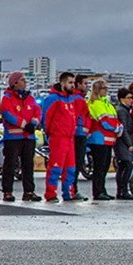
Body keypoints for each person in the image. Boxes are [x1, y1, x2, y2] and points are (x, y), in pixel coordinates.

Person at [42, 73, 87, 202]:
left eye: (73, 83)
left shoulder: (71, 99)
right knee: (55, 167)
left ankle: (69, 193)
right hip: (58, 138)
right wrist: (50, 134)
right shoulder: (53, 98)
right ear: (62, 83)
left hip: (70, 137)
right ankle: (50, 194)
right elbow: (46, 119)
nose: (73, 85)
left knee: (71, 168)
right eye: (70, 83)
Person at [0, 70, 41, 202]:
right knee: (10, 165)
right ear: (15, 83)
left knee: (28, 165)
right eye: (23, 80)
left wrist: (34, 123)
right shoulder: (7, 98)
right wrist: (24, 124)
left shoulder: (30, 98)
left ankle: (29, 191)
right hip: (13, 137)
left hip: (28, 137)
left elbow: (37, 111)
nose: (25, 82)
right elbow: (7, 114)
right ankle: (7, 191)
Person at [84, 78, 121, 201]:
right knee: (99, 167)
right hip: (99, 139)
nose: (106, 91)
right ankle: (97, 191)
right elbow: (105, 122)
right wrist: (117, 128)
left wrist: (119, 126)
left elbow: (114, 118)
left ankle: (102, 190)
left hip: (108, 140)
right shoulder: (96, 103)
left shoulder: (107, 103)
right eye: (104, 88)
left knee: (105, 167)